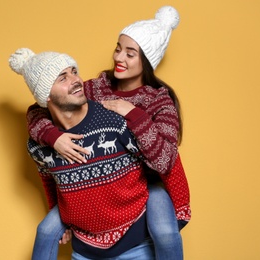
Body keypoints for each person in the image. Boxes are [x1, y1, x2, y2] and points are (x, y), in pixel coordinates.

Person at [26, 5, 190, 260]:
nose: (118, 58)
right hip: (90, 186)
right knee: (47, 229)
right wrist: (53, 137)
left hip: (146, 181)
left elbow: (166, 160)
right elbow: (40, 109)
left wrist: (133, 113)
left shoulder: (159, 101)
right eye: (117, 48)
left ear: (146, 60)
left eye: (130, 53)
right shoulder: (95, 88)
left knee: (166, 233)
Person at [9, 47, 160, 259]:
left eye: (74, 71)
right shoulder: (38, 145)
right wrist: (62, 222)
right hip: (85, 252)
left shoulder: (114, 120)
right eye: (62, 77)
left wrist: (179, 210)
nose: (75, 80)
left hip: (136, 247)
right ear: (46, 95)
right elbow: (50, 182)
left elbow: (161, 160)